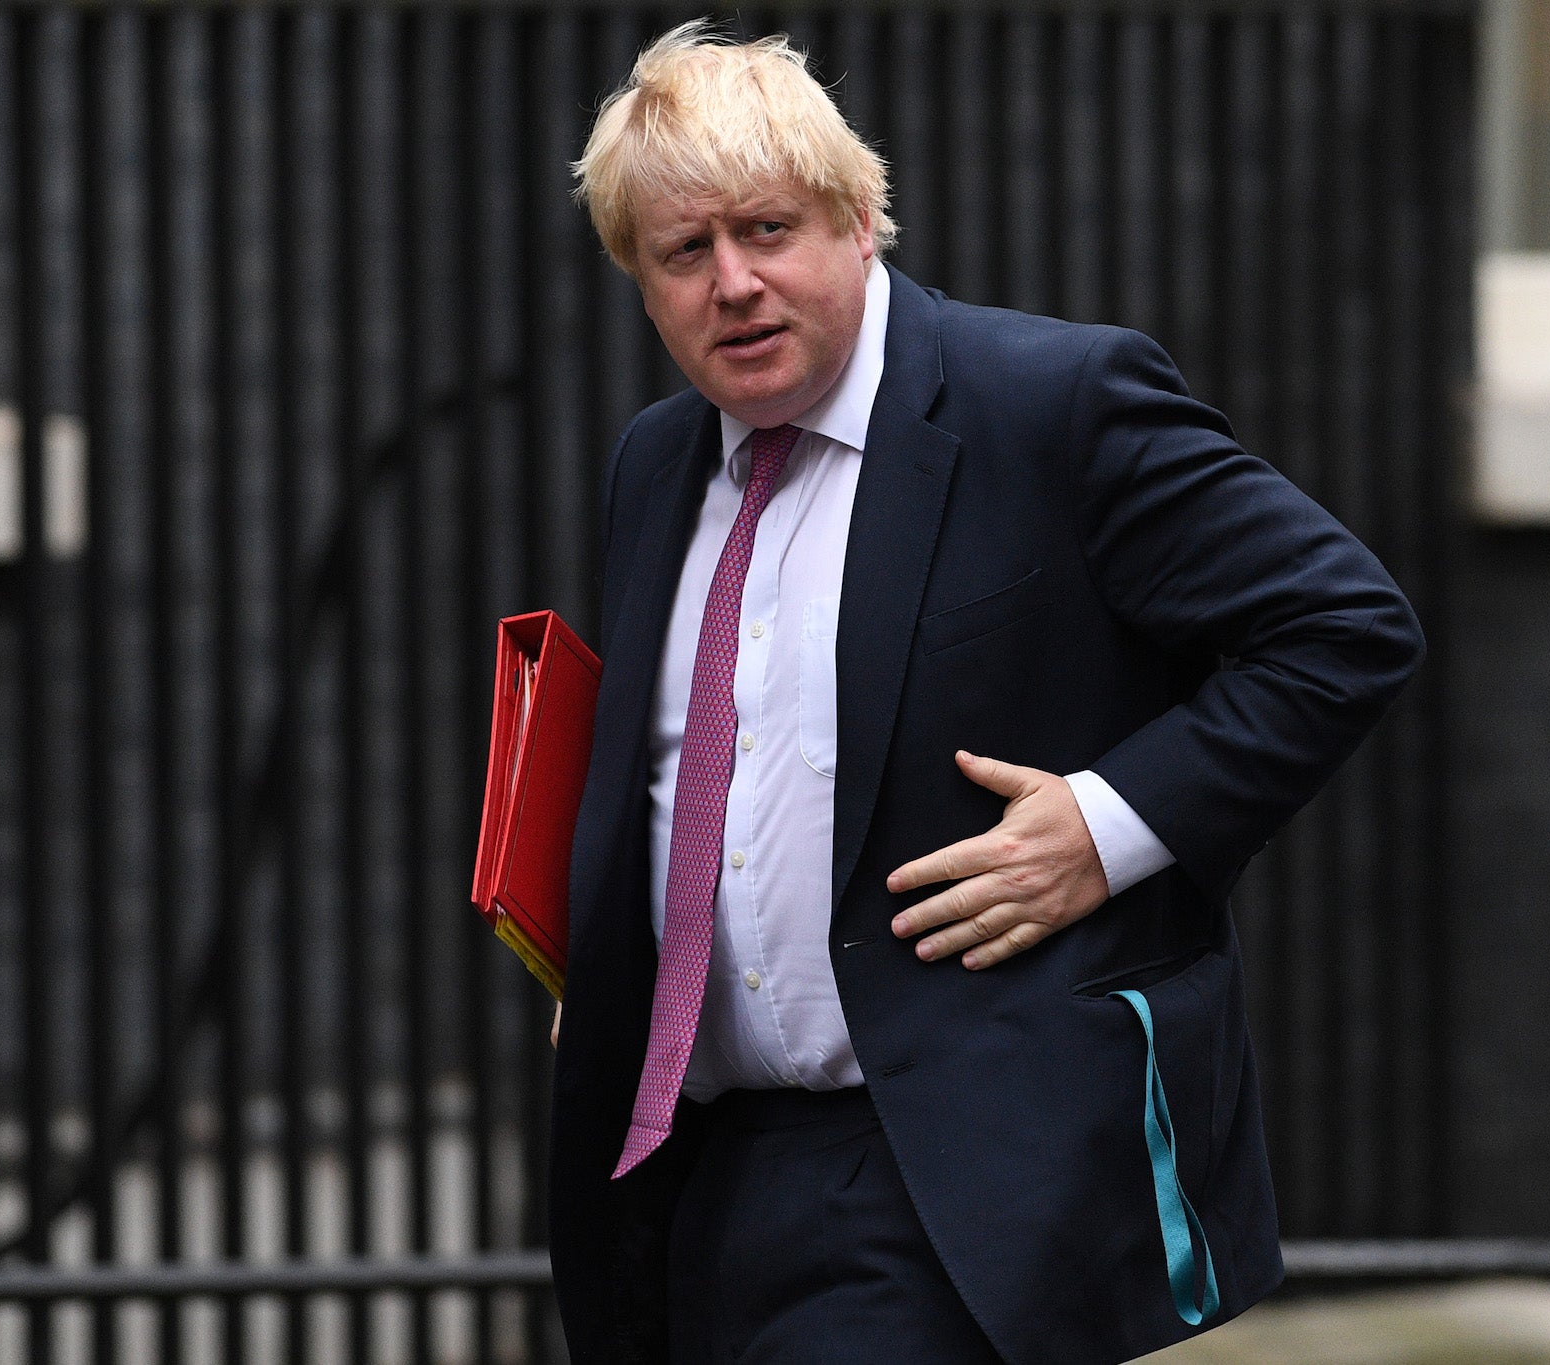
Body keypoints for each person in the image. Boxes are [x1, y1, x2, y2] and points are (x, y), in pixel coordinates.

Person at [549, 22, 1424, 1365]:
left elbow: (1342, 624)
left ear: (860, 221)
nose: (733, 282)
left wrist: (1107, 824)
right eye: (684, 252)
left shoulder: (1052, 402)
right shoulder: (658, 464)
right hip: (693, 1169)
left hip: (941, 1169)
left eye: (769, 230)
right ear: (643, 281)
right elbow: (683, 765)